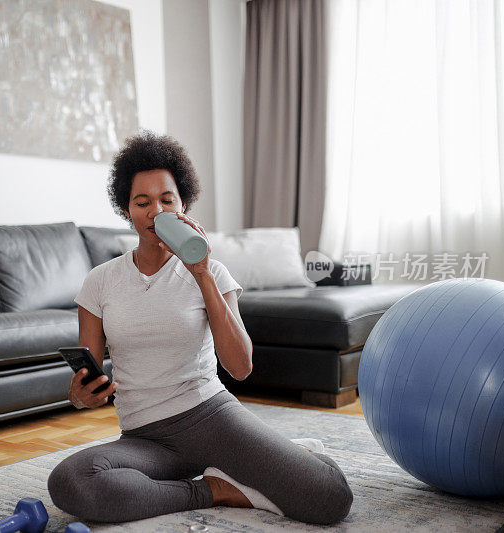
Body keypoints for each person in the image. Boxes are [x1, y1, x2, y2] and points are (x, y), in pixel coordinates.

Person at [47, 131, 353, 525]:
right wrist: (80, 397)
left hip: (210, 417)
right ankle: (214, 488)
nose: (155, 210)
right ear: (127, 211)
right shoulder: (100, 282)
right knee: (71, 482)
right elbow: (89, 381)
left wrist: (202, 272)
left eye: (166, 200)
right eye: (142, 202)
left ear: (184, 204)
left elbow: (241, 367)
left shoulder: (213, 272)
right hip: (144, 438)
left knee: (330, 496)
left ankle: (282, 455)